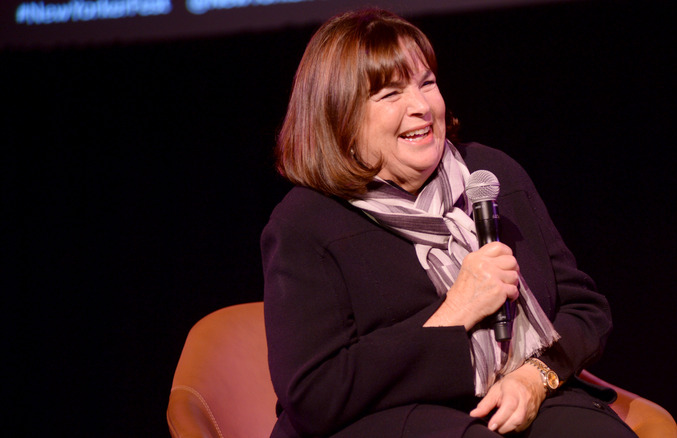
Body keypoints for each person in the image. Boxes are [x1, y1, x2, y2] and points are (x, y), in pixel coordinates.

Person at [261, 8, 637, 438]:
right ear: (339, 119)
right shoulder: (306, 223)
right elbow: (315, 393)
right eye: (390, 94)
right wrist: (457, 311)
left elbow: (584, 309)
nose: (421, 107)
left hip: (515, 389)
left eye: (427, 84)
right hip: (384, 419)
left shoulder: (492, 175)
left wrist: (535, 377)